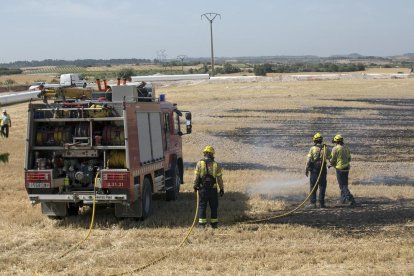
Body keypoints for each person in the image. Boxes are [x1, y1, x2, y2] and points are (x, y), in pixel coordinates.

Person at [193, 145, 224, 228]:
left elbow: (196, 177)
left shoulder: (199, 163)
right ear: (212, 154)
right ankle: (214, 225)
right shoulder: (216, 165)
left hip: (202, 189)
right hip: (213, 190)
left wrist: (195, 186)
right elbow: (219, 179)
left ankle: (202, 225)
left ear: (205, 153)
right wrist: (221, 188)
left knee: (202, 206)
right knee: (214, 207)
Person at [329, 134, 356, 206]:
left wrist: (331, 163)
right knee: (345, 184)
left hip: (340, 169)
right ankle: (343, 200)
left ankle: (350, 199)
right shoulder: (346, 147)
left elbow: (332, 160)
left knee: (342, 186)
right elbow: (349, 159)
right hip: (346, 168)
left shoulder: (335, 149)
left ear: (336, 142)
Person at [305, 133, 329, 208]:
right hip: (323, 170)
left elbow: (309, 160)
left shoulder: (312, 148)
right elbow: (330, 157)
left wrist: (306, 169)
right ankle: (321, 204)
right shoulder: (325, 148)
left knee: (313, 186)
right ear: (321, 140)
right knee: (322, 186)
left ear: (314, 140)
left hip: (314, 170)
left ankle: (313, 203)